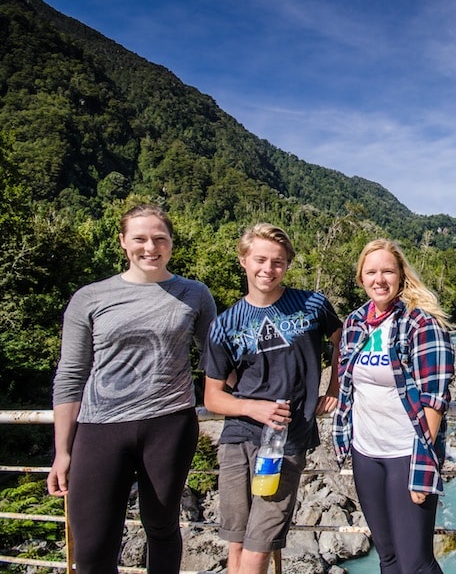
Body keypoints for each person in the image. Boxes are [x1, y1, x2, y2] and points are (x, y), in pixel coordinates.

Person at [47, 203, 217, 574]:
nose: (150, 247)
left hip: (169, 424)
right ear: (123, 242)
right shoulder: (90, 297)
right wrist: (62, 450)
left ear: (171, 243)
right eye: (139, 238)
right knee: (92, 546)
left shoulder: (194, 294)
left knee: (162, 528)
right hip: (99, 428)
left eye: (160, 238)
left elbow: (215, 359)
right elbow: (71, 375)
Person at [201, 223, 342, 574]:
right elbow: (213, 397)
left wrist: (335, 389)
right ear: (243, 261)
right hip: (237, 439)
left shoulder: (312, 305)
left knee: (259, 545)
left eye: (278, 262)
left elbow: (344, 341)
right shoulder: (225, 324)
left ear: (288, 265)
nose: (268, 269)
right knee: (237, 540)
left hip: (286, 442)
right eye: (260, 259)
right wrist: (253, 408)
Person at [333, 239, 455, 574]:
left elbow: (434, 399)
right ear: (360, 278)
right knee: (388, 557)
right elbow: (347, 381)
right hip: (366, 452)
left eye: (388, 271)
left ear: (401, 275)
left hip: (406, 452)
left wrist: (421, 468)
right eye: (371, 272)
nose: (379, 279)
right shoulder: (356, 322)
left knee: (416, 563)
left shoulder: (421, 322)